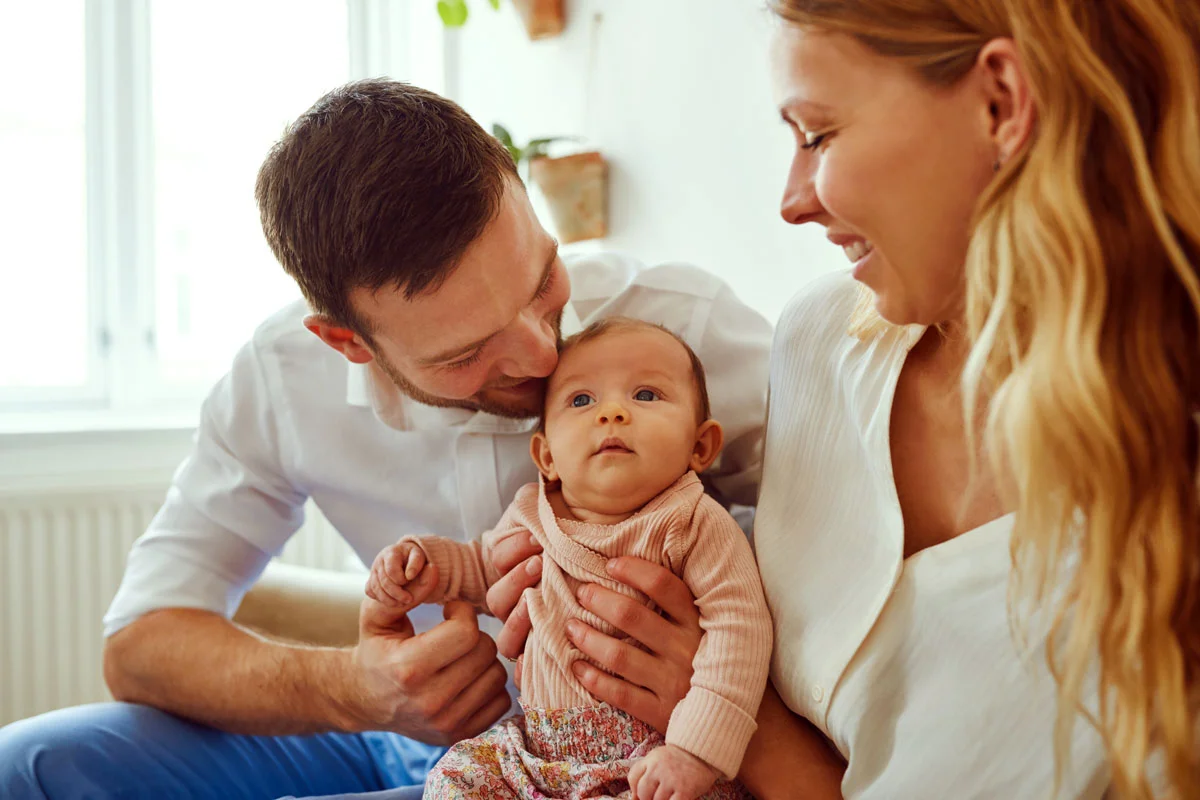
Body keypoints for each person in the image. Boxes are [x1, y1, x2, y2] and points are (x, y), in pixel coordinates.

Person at [491, 1, 1200, 798]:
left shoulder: (1170, 504)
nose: (792, 201)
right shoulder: (823, 339)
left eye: (817, 135)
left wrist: (740, 723)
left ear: (999, 102)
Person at [0, 81, 772, 799]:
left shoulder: (682, 334)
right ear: (347, 342)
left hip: (617, 758)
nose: (543, 354)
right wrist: (360, 689)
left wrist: (708, 682)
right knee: (28, 770)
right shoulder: (281, 381)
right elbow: (140, 642)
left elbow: (858, 582)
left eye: (542, 281)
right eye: (466, 353)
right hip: (390, 740)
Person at [368, 318, 771, 800]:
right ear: (546, 456)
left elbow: (740, 628)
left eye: (646, 395)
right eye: (582, 400)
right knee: (454, 779)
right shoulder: (530, 515)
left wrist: (696, 751)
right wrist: (423, 564)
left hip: (655, 757)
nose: (613, 412)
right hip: (536, 756)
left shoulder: (690, 523)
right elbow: (482, 568)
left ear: (700, 445)